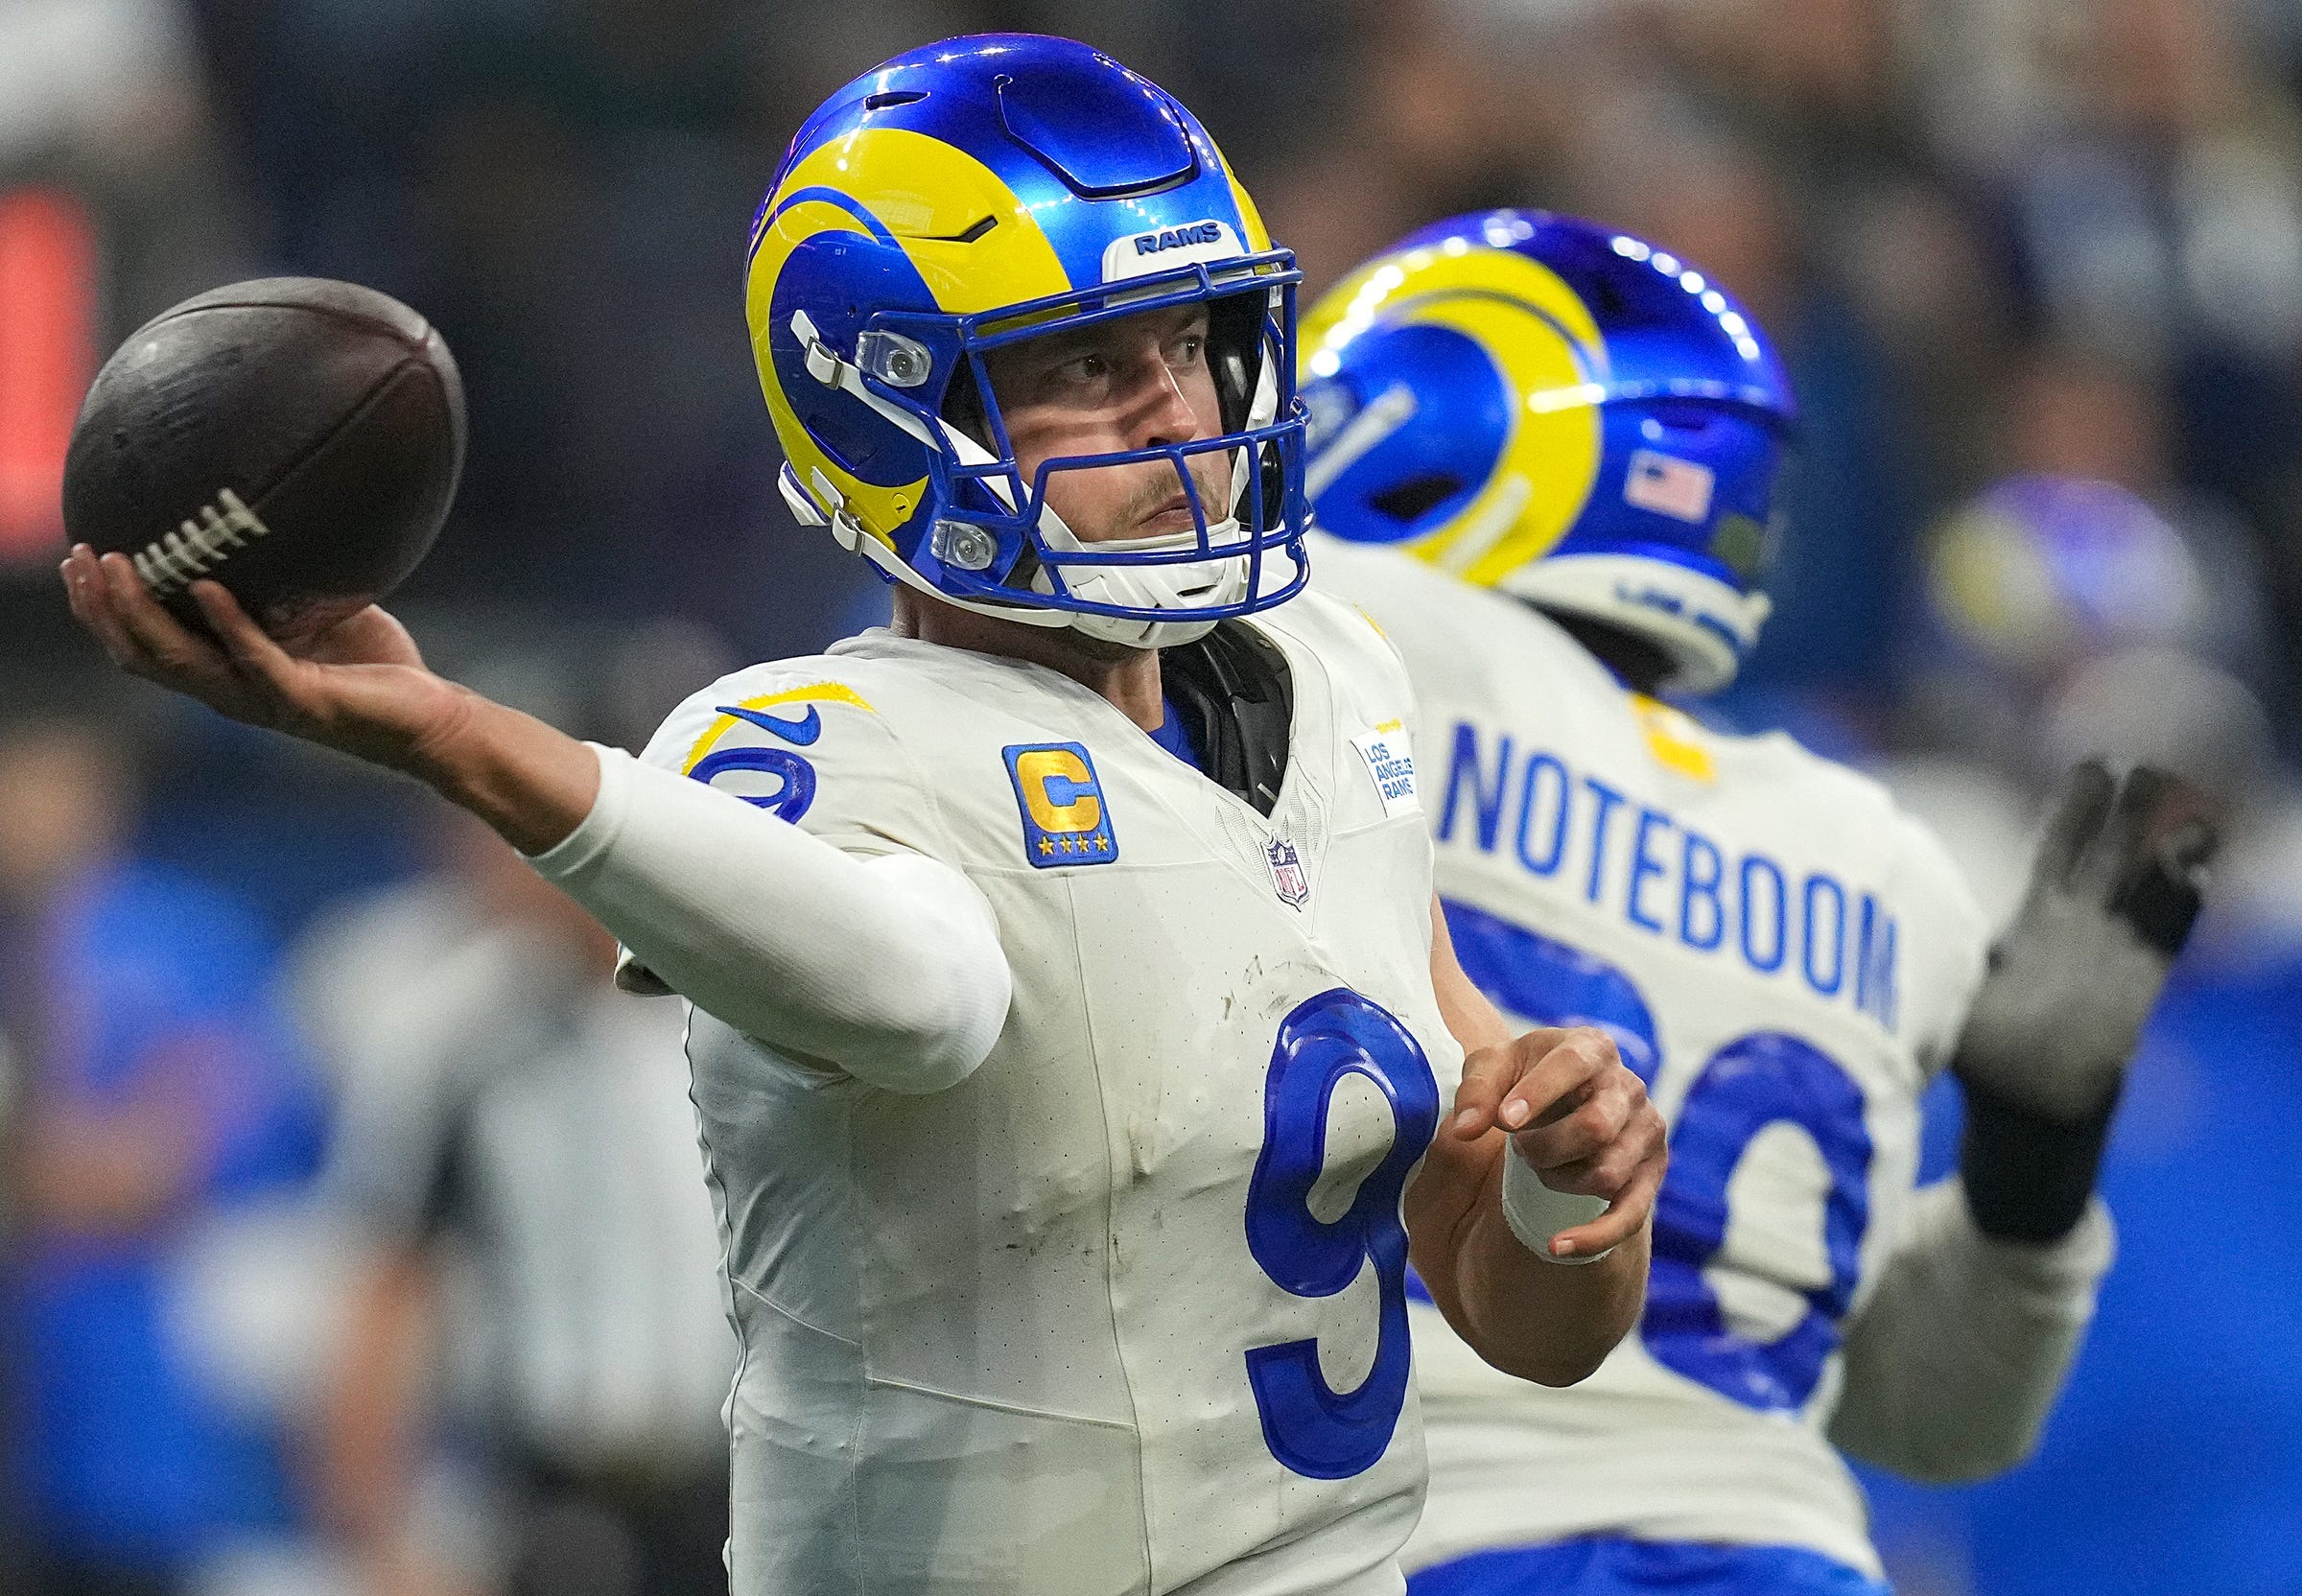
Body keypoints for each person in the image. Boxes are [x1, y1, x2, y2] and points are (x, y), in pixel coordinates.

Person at [60, 38, 1669, 1596]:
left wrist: (1564, 1182)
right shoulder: (818, 742)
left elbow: (1514, 1303)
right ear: (896, 412)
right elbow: (925, 994)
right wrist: (460, 740)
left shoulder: (1330, 675)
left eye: (1186, 343)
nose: (1177, 413)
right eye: (1087, 367)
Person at [1298, 210, 2213, 1596]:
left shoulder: (1348, 646)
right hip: (1785, 1555)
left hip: (1421, 1533)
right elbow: (1938, 1424)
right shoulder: (1881, 854)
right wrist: (2031, 1178)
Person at [302, 807, 734, 1596]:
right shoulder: (456, 1029)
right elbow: (385, 1279)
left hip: (739, 1486)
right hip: (547, 1493)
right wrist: (375, 1534)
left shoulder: (738, 1012)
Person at [0, 689, 323, 1596]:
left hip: (141, 1380)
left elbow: (206, 1148)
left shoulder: (188, 937)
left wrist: (85, 1168)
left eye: (50, 780)